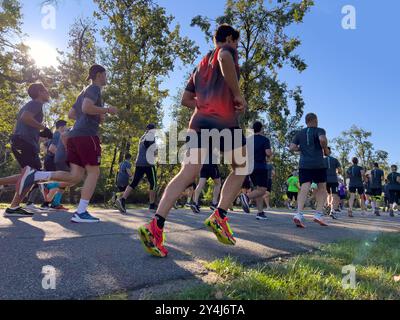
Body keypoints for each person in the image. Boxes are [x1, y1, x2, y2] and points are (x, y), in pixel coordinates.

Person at [137, 24, 248, 257]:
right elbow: (226, 58)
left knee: (187, 173)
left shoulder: (199, 67)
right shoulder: (226, 51)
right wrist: (236, 95)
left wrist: (205, 103)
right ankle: (219, 215)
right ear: (228, 38)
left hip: (198, 123)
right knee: (241, 167)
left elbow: (186, 99)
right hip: (224, 122)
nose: (236, 47)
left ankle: (155, 225)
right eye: (236, 42)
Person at [15, 64, 118, 223]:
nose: (106, 78)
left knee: (75, 176)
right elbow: (87, 107)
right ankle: (81, 212)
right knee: (93, 172)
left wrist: (94, 116)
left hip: (75, 135)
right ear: (98, 75)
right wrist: (107, 110)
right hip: (86, 135)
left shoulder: (82, 92)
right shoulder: (95, 88)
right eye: (105, 74)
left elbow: (72, 114)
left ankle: (35, 175)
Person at [2, 83, 52, 217]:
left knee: (32, 176)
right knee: (32, 175)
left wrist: (42, 134)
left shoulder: (34, 105)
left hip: (25, 142)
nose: (48, 93)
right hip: (23, 143)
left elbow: (26, 124)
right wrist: (43, 127)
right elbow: (25, 117)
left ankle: (14, 206)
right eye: (46, 91)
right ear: (40, 92)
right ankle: (13, 206)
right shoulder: (36, 103)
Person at [289, 113, 329, 228]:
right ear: (315, 120)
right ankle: (318, 214)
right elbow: (322, 140)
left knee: (304, 187)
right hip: (318, 164)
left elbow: (291, 147)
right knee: (322, 188)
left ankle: (299, 214)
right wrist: (325, 148)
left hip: (304, 164)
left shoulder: (300, 133)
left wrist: (301, 149)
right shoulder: (319, 130)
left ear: (306, 121)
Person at [115, 124, 158, 213]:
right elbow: (149, 147)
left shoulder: (142, 137)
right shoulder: (150, 136)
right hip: (148, 164)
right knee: (153, 183)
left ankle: (122, 199)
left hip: (139, 163)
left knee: (134, 182)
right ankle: (152, 205)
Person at [238, 121, 273, 220]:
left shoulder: (247, 139)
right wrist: (270, 154)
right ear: (261, 129)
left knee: (258, 189)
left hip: (250, 167)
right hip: (260, 166)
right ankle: (246, 197)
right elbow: (268, 153)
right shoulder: (265, 139)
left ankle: (260, 212)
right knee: (262, 190)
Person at [324, 147, 341, 219]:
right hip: (334, 180)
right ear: (330, 152)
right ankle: (332, 210)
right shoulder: (335, 160)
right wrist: (336, 172)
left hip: (325, 180)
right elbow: (339, 170)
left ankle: (328, 205)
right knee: (334, 195)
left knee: (328, 195)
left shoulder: (321, 160)